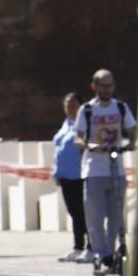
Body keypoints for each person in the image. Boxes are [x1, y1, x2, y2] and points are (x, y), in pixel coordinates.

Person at [77, 69, 136, 276]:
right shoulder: (87, 110)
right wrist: (89, 145)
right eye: (103, 86)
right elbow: (78, 137)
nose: (107, 90)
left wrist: (131, 143)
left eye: (110, 85)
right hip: (94, 170)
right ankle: (103, 255)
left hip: (117, 169)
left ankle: (112, 254)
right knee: (95, 217)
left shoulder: (120, 107)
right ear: (94, 86)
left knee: (116, 216)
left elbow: (132, 131)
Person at [52, 92, 90, 263]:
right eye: (67, 105)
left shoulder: (84, 123)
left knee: (83, 212)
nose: (70, 108)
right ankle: (77, 247)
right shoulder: (66, 124)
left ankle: (91, 246)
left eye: (73, 104)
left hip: (79, 175)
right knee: (74, 212)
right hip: (65, 175)